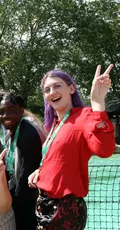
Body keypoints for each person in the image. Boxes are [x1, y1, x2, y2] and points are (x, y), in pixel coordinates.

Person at [28, 64, 116, 229]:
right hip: (45, 204)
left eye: (57, 86)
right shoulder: (54, 124)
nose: (52, 92)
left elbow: (105, 150)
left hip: (66, 208)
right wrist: (41, 170)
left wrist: (97, 104)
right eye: (47, 90)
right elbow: (59, 158)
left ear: (71, 89)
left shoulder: (85, 115)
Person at [0, 91, 43, 230]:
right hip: (21, 197)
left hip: (27, 202)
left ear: (22, 110)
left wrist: (12, 203)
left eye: (12, 110)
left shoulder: (26, 132)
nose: (6, 115)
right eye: (2, 111)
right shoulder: (13, 130)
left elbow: (25, 174)